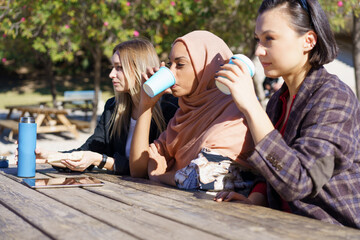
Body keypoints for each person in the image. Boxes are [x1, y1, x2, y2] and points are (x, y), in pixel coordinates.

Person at [214, 0, 360, 229]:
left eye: (269, 39)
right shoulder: (277, 101)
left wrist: (251, 106)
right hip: (282, 226)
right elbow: (269, 169)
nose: (259, 51)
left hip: (333, 229)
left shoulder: (335, 98)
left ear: (309, 41)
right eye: (258, 40)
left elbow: (299, 180)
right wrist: (254, 200)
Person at [29, 39, 178, 175]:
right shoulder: (113, 107)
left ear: (139, 68)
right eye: (113, 67)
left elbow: (149, 169)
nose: (111, 74)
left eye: (119, 67)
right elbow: (88, 151)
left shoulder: (169, 109)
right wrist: (49, 156)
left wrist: (101, 161)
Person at [130, 30, 255, 191]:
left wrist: (158, 175)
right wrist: (146, 106)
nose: (172, 72)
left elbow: (197, 178)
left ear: (206, 69)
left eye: (180, 65)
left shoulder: (235, 115)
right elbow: (138, 169)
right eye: (170, 64)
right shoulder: (183, 115)